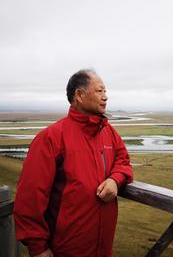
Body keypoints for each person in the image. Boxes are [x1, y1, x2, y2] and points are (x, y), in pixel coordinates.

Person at [14, 69, 133, 257]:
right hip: (66, 249)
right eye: (99, 91)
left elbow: (123, 160)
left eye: (105, 91)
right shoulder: (51, 138)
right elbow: (30, 197)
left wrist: (115, 179)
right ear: (79, 94)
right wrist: (38, 248)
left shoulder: (107, 131)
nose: (105, 97)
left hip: (103, 248)